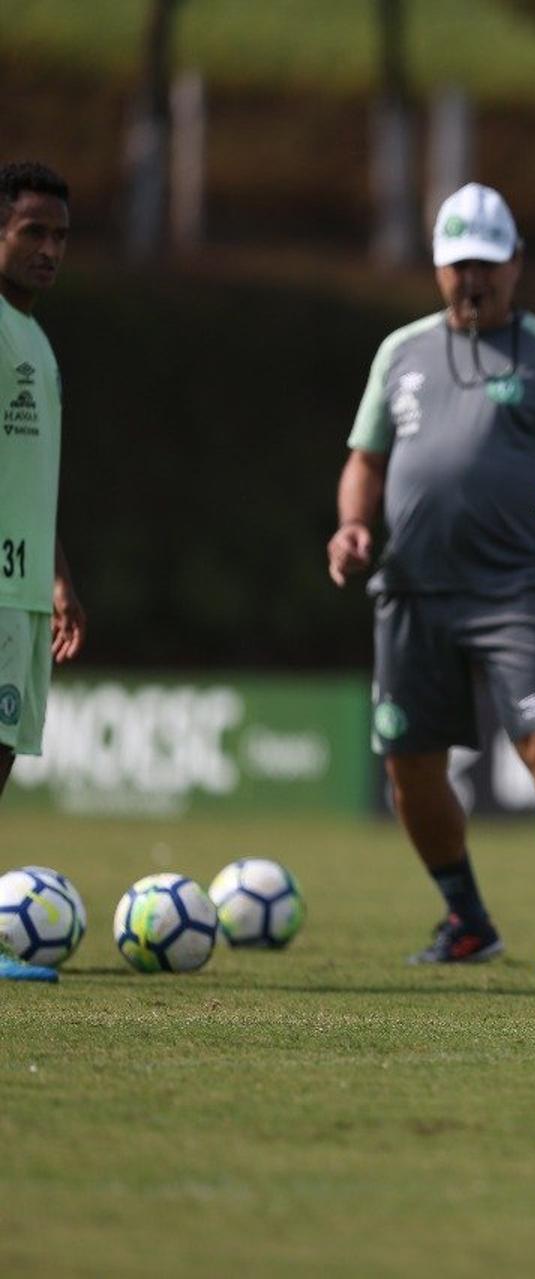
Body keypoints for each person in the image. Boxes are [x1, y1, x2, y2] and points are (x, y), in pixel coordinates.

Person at [327, 183, 535, 965]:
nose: (472, 279)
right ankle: (467, 920)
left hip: (515, 592)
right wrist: (353, 525)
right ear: (437, 268)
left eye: (488, 263)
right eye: (458, 265)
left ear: (517, 263)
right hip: (412, 594)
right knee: (409, 767)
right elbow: (365, 459)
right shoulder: (401, 352)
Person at [0, 161, 85, 984]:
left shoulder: (35, 336)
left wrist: (56, 576)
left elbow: (28, 476)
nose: (50, 250)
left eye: (59, 236)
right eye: (33, 231)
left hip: (22, 586)